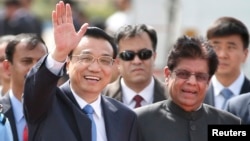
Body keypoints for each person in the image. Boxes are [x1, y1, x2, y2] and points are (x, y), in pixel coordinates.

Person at [23, 1, 139, 141]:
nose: (95, 68)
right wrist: (59, 52)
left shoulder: (125, 117)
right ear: (67, 63)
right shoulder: (45, 104)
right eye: (86, 58)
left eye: (104, 60)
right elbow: (35, 87)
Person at [135, 35, 241, 141]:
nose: (192, 82)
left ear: (208, 81)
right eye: (183, 74)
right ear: (167, 75)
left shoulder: (229, 124)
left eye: (200, 76)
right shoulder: (138, 121)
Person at [103, 24, 168, 109]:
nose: (137, 61)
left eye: (144, 54)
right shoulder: (100, 98)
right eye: (128, 55)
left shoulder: (174, 98)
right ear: (118, 62)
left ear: (154, 57)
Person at [0, 33, 48, 141]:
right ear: (7, 67)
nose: (35, 68)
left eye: (41, 62)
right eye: (27, 61)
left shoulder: (63, 113)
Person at [203, 16, 250, 110]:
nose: (222, 55)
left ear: (245, 54)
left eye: (231, 47)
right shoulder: (193, 95)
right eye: (216, 47)